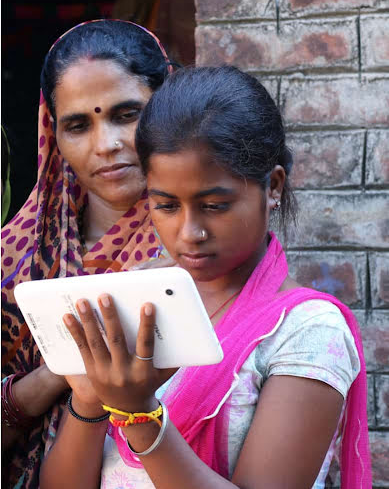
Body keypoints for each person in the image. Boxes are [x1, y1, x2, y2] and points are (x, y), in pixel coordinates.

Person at [40, 66, 371, 489]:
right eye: (166, 206)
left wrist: (139, 415)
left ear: (272, 186)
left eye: (213, 205)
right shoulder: (142, 296)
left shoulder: (307, 332)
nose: (190, 232)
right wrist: (89, 398)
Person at [1, 19, 174, 489]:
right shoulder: (14, 261)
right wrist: (58, 371)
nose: (107, 145)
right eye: (78, 125)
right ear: (51, 134)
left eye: (126, 114)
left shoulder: (200, 243)